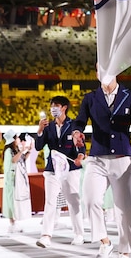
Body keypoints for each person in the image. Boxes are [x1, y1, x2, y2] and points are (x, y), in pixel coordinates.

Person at [73, 72, 131, 257]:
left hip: (123, 159)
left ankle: (125, 251)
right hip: (97, 157)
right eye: (100, 69)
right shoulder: (90, 98)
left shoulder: (129, 95)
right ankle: (105, 241)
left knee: (124, 209)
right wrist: (77, 132)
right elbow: (80, 120)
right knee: (91, 200)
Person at [34, 96, 85, 249]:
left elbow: (81, 144)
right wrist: (40, 130)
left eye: (56, 105)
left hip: (71, 168)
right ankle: (46, 235)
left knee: (73, 201)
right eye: (51, 106)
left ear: (64, 108)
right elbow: (38, 147)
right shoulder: (48, 127)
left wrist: (80, 156)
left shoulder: (74, 124)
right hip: (53, 169)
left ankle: (79, 233)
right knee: (50, 201)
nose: (53, 109)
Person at [2, 129, 32, 233]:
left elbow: (22, 159)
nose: (19, 139)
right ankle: (12, 223)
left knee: (13, 201)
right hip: (12, 180)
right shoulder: (8, 151)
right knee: (11, 201)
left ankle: (14, 222)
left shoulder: (14, 151)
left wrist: (29, 150)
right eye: (17, 137)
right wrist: (21, 151)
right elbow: (14, 160)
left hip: (16, 180)